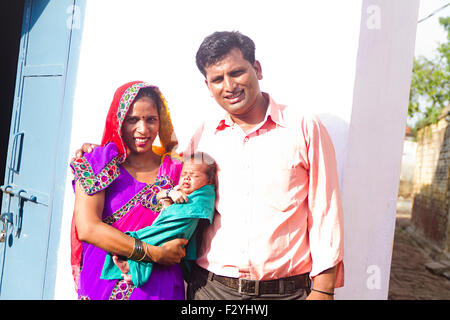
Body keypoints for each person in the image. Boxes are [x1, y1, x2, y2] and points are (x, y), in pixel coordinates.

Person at [75, 31, 344, 300]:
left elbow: (325, 211)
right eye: (217, 79)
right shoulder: (203, 138)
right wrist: (96, 153)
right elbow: (149, 173)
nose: (229, 86)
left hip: (286, 291)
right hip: (212, 290)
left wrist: (323, 289)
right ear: (208, 85)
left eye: (237, 72)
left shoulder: (303, 128)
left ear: (257, 69)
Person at [71, 81, 189, 300]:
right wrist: (154, 253)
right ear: (118, 121)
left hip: (157, 288)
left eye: (151, 119)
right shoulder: (97, 164)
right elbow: (88, 228)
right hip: (102, 285)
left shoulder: (178, 170)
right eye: (132, 120)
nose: (143, 130)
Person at [101, 152, 217, 288]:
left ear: (209, 181)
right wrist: (169, 193)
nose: (187, 178)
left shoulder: (204, 195)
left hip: (176, 231)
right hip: (164, 226)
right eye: (184, 174)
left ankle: (133, 270)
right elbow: (157, 196)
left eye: (194, 176)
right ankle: (131, 266)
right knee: (150, 239)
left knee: (154, 240)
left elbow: (191, 211)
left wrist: (173, 208)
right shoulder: (177, 190)